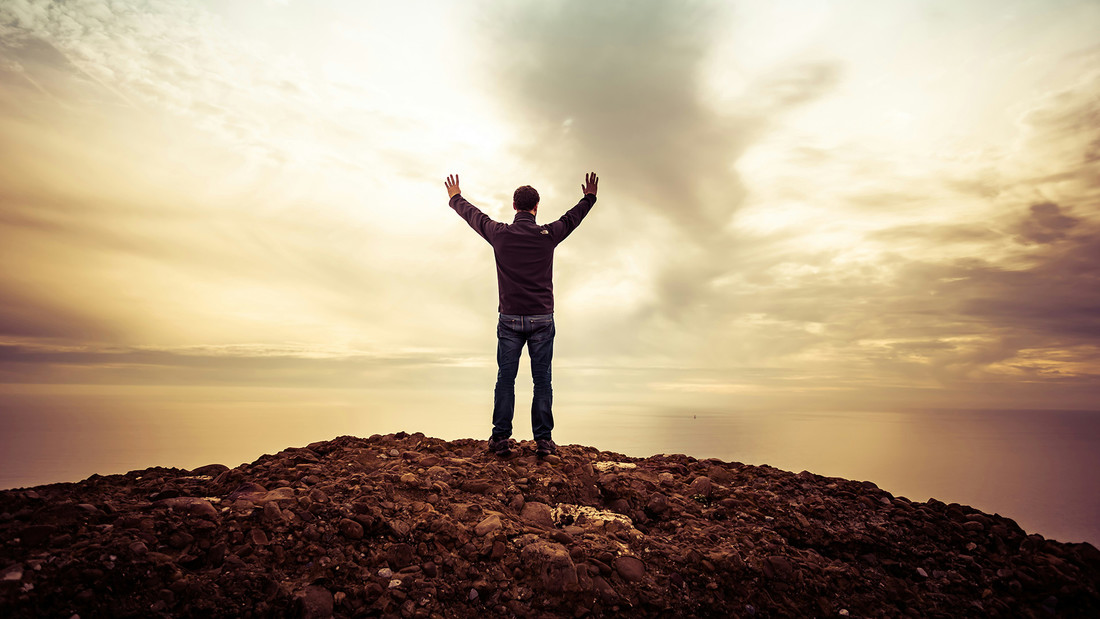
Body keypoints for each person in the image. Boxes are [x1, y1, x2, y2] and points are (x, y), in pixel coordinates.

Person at [445, 172, 598, 458]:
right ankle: (543, 442)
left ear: (514, 206)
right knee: (542, 381)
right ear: (536, 207)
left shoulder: (500, 234)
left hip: (510, 320)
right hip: (542, 319)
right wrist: (589, 197)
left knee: (506, 379)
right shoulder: (548, 235)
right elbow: (571, 219)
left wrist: (456, 198)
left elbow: (474, 216)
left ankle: (501, 439)